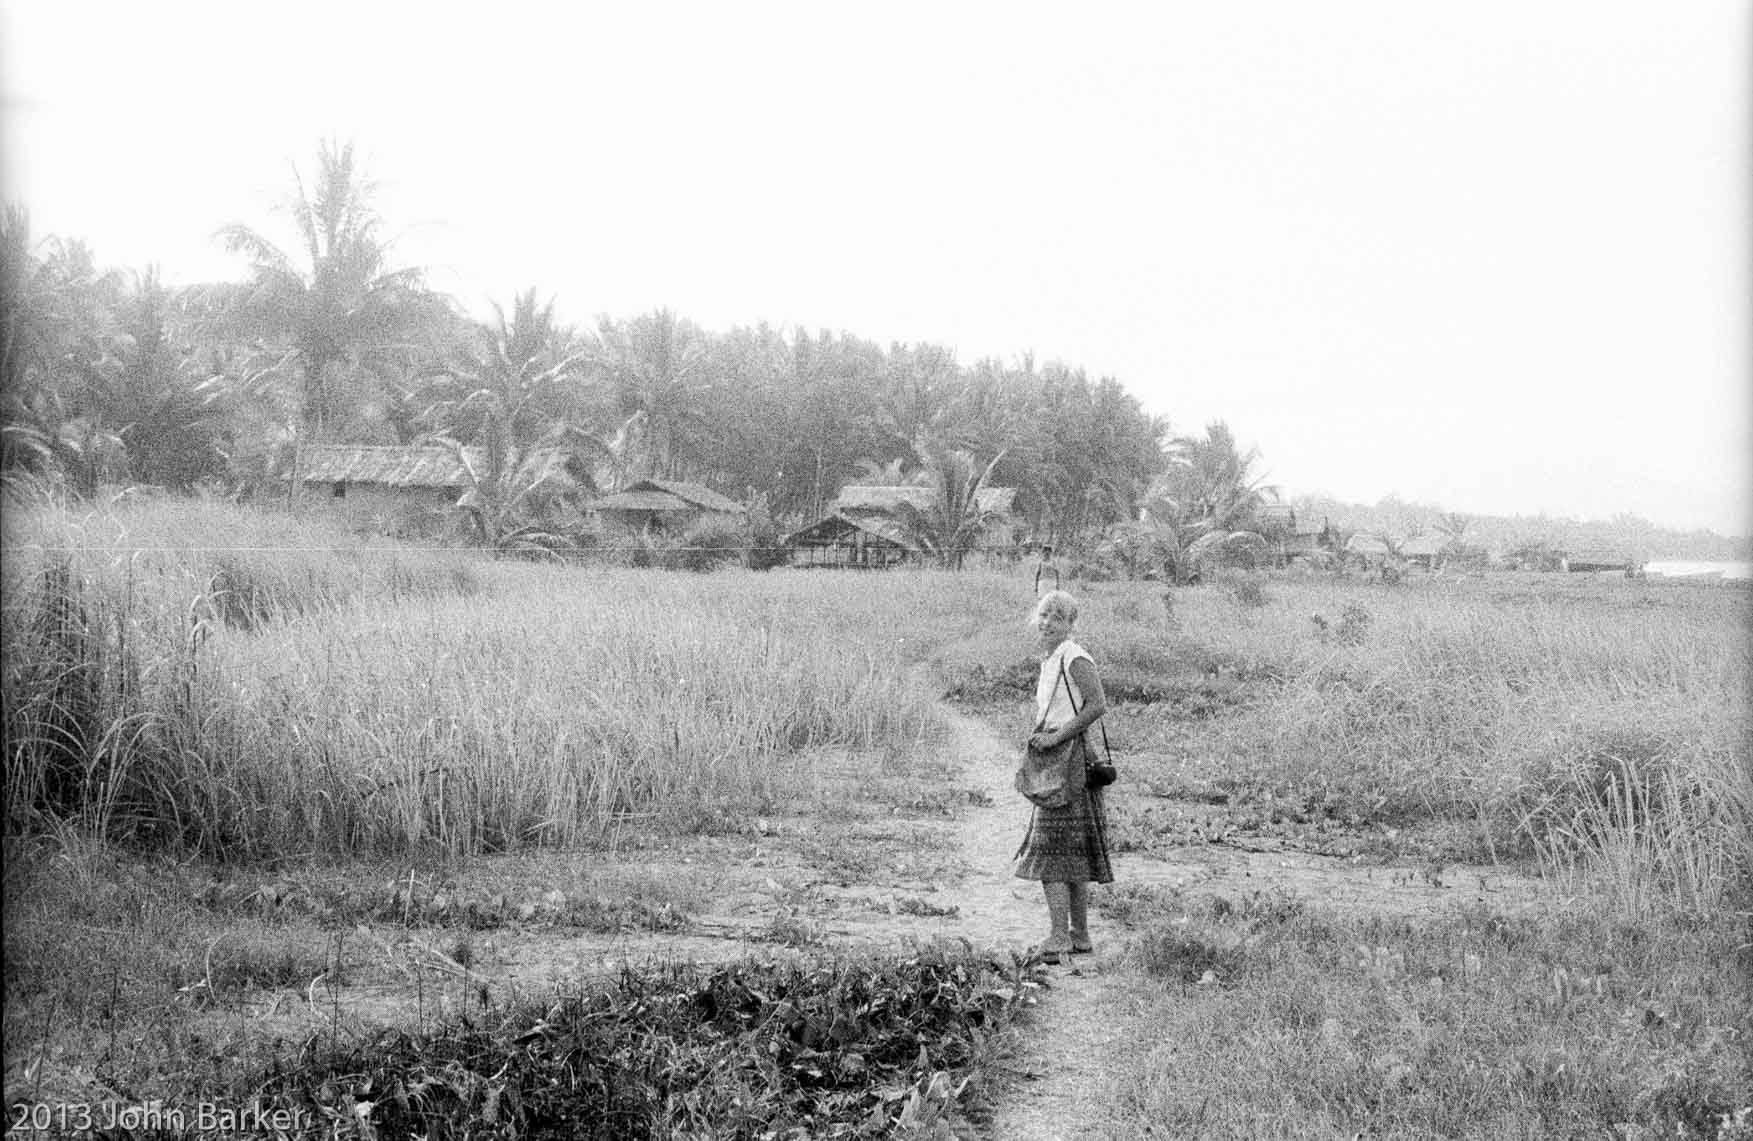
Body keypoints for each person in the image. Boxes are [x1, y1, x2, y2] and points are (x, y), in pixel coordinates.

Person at [1014, 589, 1113, 962]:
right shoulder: (1052, 658)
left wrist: (1056, 737)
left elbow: (1098, 704)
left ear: (1071, 624)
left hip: (1069, 762)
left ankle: (1060, 936)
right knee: (1071, 852)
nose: (1047, 623)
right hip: (1057, 759)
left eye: (1057, 617)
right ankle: (1079, 935)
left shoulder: (1074, 656)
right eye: (1043, 615)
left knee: (1052, 852)